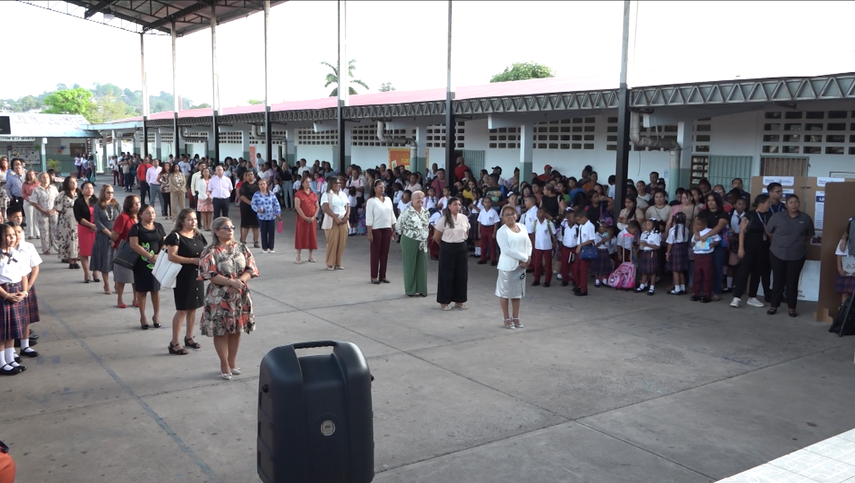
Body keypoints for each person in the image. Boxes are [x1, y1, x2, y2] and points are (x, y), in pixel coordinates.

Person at [199, 216, 259, 380]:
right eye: (226, 227)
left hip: (239, 294)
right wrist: (230, 282)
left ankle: (232, 360)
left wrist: (240, 281)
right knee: (221, 330)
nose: (231, 230)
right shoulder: (210, 251)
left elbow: (251, 268)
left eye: (232, 227)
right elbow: (209, 274)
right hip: (219, 297)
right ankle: (224, 363)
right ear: (217, 231)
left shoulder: (241, 248)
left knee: (236, 329)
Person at [164, 209, 207, 356]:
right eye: (190, 219)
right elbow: (172, 256)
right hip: (182, 276)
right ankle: (174, 342)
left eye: (195, 219)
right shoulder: (175, 237)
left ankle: (189, 336)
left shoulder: (198, 235)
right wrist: (192, 261)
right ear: (182, 221)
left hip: (197, 275)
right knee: (182, 309)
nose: (193, 222)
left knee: (193, 307)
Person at [765, 194, 814, 317]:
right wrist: (779, 243)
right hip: (777, 253)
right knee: (777, 281)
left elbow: (808, 236)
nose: (794, 204)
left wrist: (795, 242)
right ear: (786, 205)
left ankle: (792, 308)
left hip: (797, 255)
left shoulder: (805, 218)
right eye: (791, 202)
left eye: (796, 202)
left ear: (799, 204)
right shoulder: (777, 217)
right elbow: (769, 232)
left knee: (792, 282)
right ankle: (774, 306)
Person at [730, 194, 773, 308]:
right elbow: (742, 231)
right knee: (743, 272)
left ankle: (752, 297)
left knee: (757, 272)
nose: (770, 205)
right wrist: (741, 247)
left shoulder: (770, 215)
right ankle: (736, 297)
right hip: (749, 247)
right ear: (761, 203)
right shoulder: (750, 215)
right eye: (768, 202)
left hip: (763, 247)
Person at [128, 204, 167, 330]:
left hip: (156, 262)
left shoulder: (159, 227)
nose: (151, 215)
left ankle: (156, 316)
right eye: (148, 213)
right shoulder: (136, 228)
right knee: (142, 290)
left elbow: (165, 244)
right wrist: (149, 256)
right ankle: (143, 316)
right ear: (141, 215)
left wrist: (158, 255)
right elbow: (134, 245)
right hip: (141, 263)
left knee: (155, 290)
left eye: (153, 213)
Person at [495, 205, 532, 328]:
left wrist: (528, 257)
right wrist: (524, 258)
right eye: (507, 215)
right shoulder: (502, 231)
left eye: (512, 213)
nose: (510, 216)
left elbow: (528, 243)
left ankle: (516, 317)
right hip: (508, 266)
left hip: (521, 266)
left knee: (517, 293)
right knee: (505, 293)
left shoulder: (522, 227)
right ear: (503, 218)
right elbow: (506, 250)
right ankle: (506, 318)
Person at [0, 223, 29, 375]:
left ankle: (10, 358)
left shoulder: (17, 254)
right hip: (3, 292)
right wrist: (6, 295)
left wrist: (24, 291)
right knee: (1, 332)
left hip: (16, 290)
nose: (12, 238)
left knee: (11, 330)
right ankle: (1, 362)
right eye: (8, 235)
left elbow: (24, 274)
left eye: (13, 235)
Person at [11, 221, 41, 360]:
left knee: (26, 317)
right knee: (12, 319)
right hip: (12, 285)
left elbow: (35, 268)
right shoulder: (6, 249)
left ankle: (25, 345)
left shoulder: (28, 247)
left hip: (27, 283)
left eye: (19, 232)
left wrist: (27, 287)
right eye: (13, 233)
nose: (16, 236)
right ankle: (10, 351)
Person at [433, 197, 470, 310]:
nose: (457, 207)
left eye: (459, 205)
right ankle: (444, 301)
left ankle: (459, 300)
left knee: (461, 275)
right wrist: (445, 246)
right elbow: (436, 236)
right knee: (447, 275)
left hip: (461, 247)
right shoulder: (443, 219)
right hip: (447, 247)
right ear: (449, 206)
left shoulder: (464, 218)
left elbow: (467, 232)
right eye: (455, 204)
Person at [396, 190, 430, 297]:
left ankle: (422, 289)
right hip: (409, 239)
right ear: (412, 200)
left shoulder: (426, 212)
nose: (420, 200)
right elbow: (398, 226)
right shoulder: (406, 212)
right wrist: (407, 234)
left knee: (422, 264)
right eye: (417, 198)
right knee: (410, 265)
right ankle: (410, 289)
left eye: (422, 198)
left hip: (422, 240)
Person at [698, 192, 730, 301]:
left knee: (717, 267)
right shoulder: (703, 213)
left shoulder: (724, 213)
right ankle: (704, 290)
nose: (710, 202)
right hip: (703, 242)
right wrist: (697, 235)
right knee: (703, 267)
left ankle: (716, 291)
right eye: (708, 200)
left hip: (718, 244)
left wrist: (706, 236)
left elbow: (719, 226)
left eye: (713, 200)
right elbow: (696, 224)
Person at [365, 179, 397, 284]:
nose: (382, 188)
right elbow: (369, 218)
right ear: (374, 188)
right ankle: (373, 276)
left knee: (384, 253)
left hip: (387, 228)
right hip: (376, 229)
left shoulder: (388, 200)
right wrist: (369, 233)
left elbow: (392, 214)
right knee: (375, 253)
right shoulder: (371, 201)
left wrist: (394, 227)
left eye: (383, 186)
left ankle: (382, 275)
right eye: (380, 186)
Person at [91, 184, 120, 295]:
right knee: (105, 261)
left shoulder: (116, 204)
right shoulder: (98, 206)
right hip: (103, 236)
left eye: (112, 192)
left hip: (116, 236)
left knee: (116, 262)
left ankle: (117, 283)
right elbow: (98, 222)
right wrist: (110, 234)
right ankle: (106, 284)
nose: (110, 195)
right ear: (103, 193)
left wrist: (116, 235)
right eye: (108, 192)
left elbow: (121, 218)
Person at [112, 195, 140, 308]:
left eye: (139, 203)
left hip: (137, 249)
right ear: (129, 206)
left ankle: (136, 298)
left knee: (136, 277)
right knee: (121, 277)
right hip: (124, 250)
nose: (138, 205)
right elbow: (114, 235)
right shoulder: (123, 217)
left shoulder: (139, 217)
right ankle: (120, 299)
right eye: (135, 203)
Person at [320, 176, 350, 270]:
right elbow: (325, 208)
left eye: (339, 183)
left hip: (343, 220)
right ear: (331, 184)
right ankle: (330, 262)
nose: (338, 185)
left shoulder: (343, 194)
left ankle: (338, 262)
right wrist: (334, 218)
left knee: (342, 242)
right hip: (332, 220)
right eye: (336, 183)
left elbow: (348, 205)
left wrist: (347, 216)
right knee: (332, 242)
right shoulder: (327, 194)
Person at [691, 215, 721, 303]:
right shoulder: (696, 233)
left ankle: (707, 294)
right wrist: (693, 244)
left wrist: (713, 244)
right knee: (697, 274)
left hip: (707, 255)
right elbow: (693, 242)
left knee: (707, 275)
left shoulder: (710, 232)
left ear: (704, 224)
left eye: (699, 225)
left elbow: (718, 240)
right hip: (697, 255)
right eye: (696, 225)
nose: (697, 227)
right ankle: (696, 293)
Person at [74, 181, 99, 283]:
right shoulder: (78, 202)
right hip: (84, 228)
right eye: (87, 188)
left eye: (91, 188)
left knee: (96, 251)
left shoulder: (96, 201)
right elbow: (78, 217)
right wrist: (90, 225)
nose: (90, 190)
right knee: (84, 252)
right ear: (82, 190)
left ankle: (95, 272)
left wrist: (96, 226)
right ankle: (87, 272)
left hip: (97, 228)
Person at [250, 178, 282, 254]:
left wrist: (278, 213)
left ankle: (271, 247)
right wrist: (257, 209)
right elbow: (253, 204)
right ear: (258, 186)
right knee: (263, 231)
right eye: (261, 184)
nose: (262, 186)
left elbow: (276, 204)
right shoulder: (256, 195)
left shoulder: (271, 194)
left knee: (271, 232)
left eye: (264, 184)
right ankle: (264, 247)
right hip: (261, 216)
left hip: (271, 216)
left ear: (267, 185)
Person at [55, 177, 80, 269]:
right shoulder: (62, 194)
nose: (74, 184)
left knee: (77, 240)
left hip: (78, 220)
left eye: (75, 182)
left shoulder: (79, 194)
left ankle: (76, 260)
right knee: (68, 240)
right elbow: (58, 207)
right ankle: (70, 261)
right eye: (71, 182)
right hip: (66, 221)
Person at [294, 174, 319, 264]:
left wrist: (314, 216)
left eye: (309, 182)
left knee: (312, 236)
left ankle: (310, 256)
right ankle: (298, 256)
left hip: (312, 218)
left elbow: (317, 206)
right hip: (302, 219)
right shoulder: (299, 194)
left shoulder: (313, 194)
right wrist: (304, 217)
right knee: (301, 235)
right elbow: (297, 206)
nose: (308, 183)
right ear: (302, 183)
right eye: (306, 182)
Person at [31, 172, 58, 255]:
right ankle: (46, 249)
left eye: (47, 177)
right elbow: (34, 202)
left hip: (54, 212)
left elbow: (58, 200)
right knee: (44, 231)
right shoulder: (37, 190)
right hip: (42, 213)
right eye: (43, 177)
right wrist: (43, 211)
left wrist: (53, 209)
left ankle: (57, 247)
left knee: (55, 230)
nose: (46, 179)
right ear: (40, 179)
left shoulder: (53, 188)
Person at [665, 212, 690, 295]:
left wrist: (668, 253)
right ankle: (683, 288)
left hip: (675, 249)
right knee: (681, 270)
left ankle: (677, 288)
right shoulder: (686, 229)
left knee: (675, 270)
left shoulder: (673, 230)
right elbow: (686, 240)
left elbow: (670, 243)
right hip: (683, 249)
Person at [531, 207, 556, 287]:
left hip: (547, 246)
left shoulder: (549, 223)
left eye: (540, 212)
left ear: (545, 214)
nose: (538, 214)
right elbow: (533, 233)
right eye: (537, 212)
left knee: (548, 263)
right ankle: (536, 279)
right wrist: (534, 242)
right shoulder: (535, 223)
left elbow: (553, 234)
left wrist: (554, 243)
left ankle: (547, 280)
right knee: (537, 263)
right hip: (538, 246)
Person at [635, 218, 661, 295]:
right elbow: (641, 245)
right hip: (644, 253)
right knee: (644, 271)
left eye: (649, 225)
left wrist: (647, 244)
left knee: (652, 272)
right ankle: (642, 285)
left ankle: (651, 287)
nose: (647, 226)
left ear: (653, 226)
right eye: (646, 224)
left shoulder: (656, 235)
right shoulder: (644, 234)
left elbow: (658, 246)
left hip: (651, 253)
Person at [238, 171, 260, 248]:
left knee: (256, 225)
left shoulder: (257, 185)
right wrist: (251, 203)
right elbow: (242, 196)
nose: (250, 176)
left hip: (256, 207)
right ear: (246, 177)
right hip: (246, 207)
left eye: (251, 174)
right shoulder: (244, 185)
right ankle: (243, 241)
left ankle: (256, 241)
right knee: (245, 225)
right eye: (248, 175)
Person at [476, 197, 500, 266]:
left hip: (491, 228)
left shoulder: (493, 212)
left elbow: (496, 222)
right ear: (483, 203)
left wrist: (494, 232)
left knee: (492, 245)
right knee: (483, 244)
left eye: (489, 202)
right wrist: (479, 232)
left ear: (491, 203)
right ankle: (483, 258)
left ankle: (493, 259)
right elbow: (479, 222)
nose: (487, 203)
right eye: (486, 202)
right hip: (483, 228)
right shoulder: (482, 212)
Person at [592, 222, 615, 287]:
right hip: (598, 251)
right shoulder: (596, 235)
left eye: (605, 228)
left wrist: (609, 239)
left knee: (606, 266)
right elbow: (595, 245)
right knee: (596, 266)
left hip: (605, 251)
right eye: (603, 227)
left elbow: (609, 244)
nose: (605, 229)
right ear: (599, 228)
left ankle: (604, 279)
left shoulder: (606, 234)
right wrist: (603, 240)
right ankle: (597, 280)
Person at [836, 233, 854, 305]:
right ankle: (844, 311)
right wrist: (840, 269)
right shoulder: (843, 242)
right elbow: (838, 255)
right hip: (845, 270)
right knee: (845, 293)